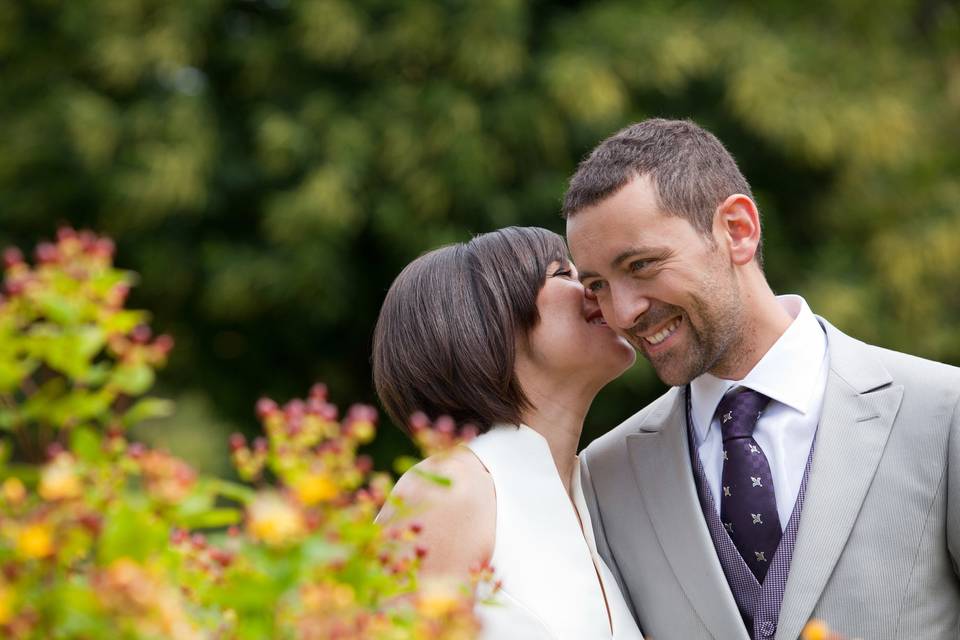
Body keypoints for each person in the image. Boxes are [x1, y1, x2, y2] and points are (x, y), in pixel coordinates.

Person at [564, 118, 960, 640]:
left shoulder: (944, 412)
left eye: (641, 265)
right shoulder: (605, 473)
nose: (623, 312)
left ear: (738, 230)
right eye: (597, 286)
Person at [372, 227, 644, 639]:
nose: (593, 288)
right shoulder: (449, 489)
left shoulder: (593, 501)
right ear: (485, 319)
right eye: (563, 274)